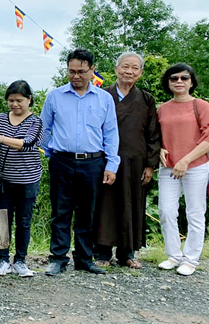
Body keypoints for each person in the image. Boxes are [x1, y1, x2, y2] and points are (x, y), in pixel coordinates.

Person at [41, 48, 119, 276]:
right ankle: (58, 258)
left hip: (93, 163)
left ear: (92, 70)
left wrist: (111, 165)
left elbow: (111, 133)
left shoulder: (104, 99)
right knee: (60, 212)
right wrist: (51, 152)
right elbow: (44, 128)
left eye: (81, 72)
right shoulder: (55, 96)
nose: (76, 76)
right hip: (61, 161)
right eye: (71, 71)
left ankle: (84, 258)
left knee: (87, 213)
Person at [93, 52, 161, 269]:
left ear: (140, 73)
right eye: (125, 66)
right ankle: (102, 252)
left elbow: (153, 133)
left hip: (135, 162)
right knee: (105, 205)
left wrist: (150, 164)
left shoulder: (146, 99)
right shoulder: (102, 95)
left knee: (132, 204)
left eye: (134, 68)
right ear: (116, 69)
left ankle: (127, 253)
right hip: (106, 160)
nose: (129, 71)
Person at [0, 80, 44, 278]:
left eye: (19, 100)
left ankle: (20, 261)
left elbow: (28, 144)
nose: (15, 104)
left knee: (24, 222)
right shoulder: (0, 119)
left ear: (29, 99)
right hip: (3, 180)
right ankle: (2, 260)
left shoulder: (35, 122)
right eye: (11, 101)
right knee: (3, 220)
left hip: (28, 180)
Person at [156, 63, 209, 276]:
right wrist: (159, 149)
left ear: (191, 82)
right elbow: (156, 136)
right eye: (174, 78)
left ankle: (190, 260)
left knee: (195, 212)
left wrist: (186, 160)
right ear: (168, 82)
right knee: (166, 211)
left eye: (184, 78)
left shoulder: (201, 106)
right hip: (168, 167)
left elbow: (208, 139)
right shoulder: (162, 109)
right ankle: (173, 256)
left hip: (196, 166)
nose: (179, 81)